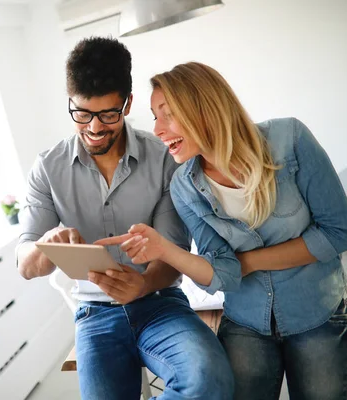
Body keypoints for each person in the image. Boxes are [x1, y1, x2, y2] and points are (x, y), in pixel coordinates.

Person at [97, 61, 347, 400]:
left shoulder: (289, 139)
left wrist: (248, 262)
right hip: (246, 324)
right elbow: (223, 274)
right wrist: (163, 249)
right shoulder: (185, 187)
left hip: (317, 317)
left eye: (167, 114)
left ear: (204, 107)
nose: (157, 129)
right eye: (154, 116)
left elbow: (341, 231)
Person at [16, 39, 233, 400]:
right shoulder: (47, 169)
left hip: (160, 303)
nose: (95, 128)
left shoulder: (164, 158)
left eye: (108, 115)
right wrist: (47, 246)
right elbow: (26, 266)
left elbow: (172, 252)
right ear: (70, 103)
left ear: (128, 103)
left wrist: (143, 285)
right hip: (95, 315)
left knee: (208, 378)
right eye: (82, 114)